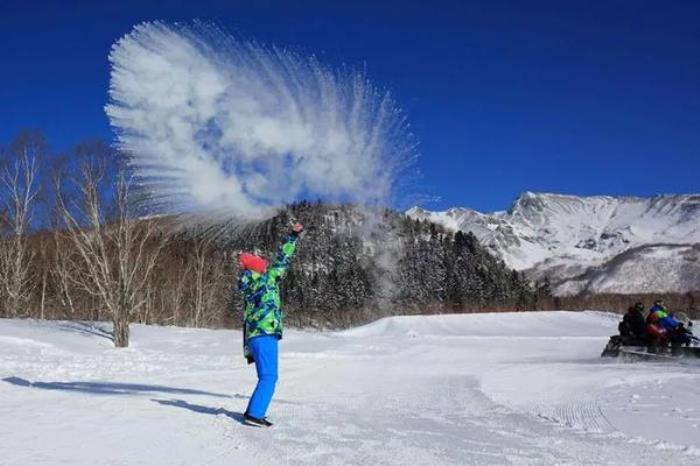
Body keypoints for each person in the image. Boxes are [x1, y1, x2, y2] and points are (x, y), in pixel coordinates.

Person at [238, 221, 303, 427]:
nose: (266, 265)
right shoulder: (267, 280)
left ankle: (253, 411)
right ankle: (254, 415)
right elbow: (283, 259)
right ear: (259, 268)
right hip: (265, 333)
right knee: (269, 377)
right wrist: (293, 235)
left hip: (253, 337)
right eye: (263, 264)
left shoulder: (249, 285)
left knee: (264, 376)